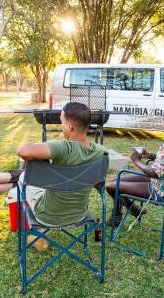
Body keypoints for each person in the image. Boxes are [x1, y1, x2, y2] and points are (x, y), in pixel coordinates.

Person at [16, 102, 106, 251]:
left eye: (62, 122)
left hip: (47, 217)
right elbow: (96, 181)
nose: (61, 125)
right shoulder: (102, 152)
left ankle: (39, 233)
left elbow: (23, 151)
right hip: (79, 215)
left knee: (23, 176)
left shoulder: (63, 147)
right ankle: (40, 235)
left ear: (69, 127)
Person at [106, 98, 164, 226]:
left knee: (111, 186)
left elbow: (155, 173)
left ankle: (120, 214)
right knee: (115, 180)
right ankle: (130, 209)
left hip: (162, 189)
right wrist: (149, 155)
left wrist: (136, 161)